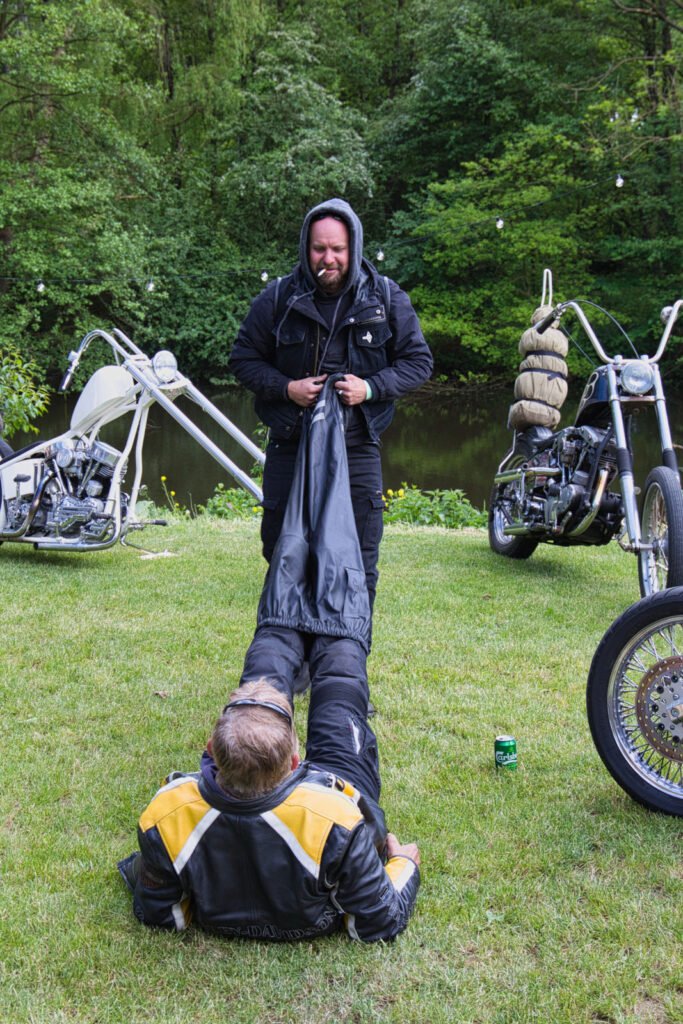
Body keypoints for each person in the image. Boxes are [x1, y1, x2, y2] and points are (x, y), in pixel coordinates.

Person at [118, 634, 421, 943]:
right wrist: (404, 865)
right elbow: (378, 921)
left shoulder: (166, 812)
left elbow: (160, 914)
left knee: (271, 649)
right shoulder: (338, 819)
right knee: (339, 696)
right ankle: (335, 629)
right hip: (329, 800)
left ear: (211, 749)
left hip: (292, 808)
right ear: (294, 762)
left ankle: (280, 625)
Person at [229, 197, 433, 609]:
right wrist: (287, 388)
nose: (329, 258)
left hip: (357, 446)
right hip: (290, 443)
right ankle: (292, 657)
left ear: (353, 247)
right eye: (320, 248)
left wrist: (370, 389)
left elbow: (418, 362)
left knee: (359, 559)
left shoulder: (386, 297)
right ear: (307, 248)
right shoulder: (278, 297)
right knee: (284, 556)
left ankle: (345, 663)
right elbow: (243, 359)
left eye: (337, 249)